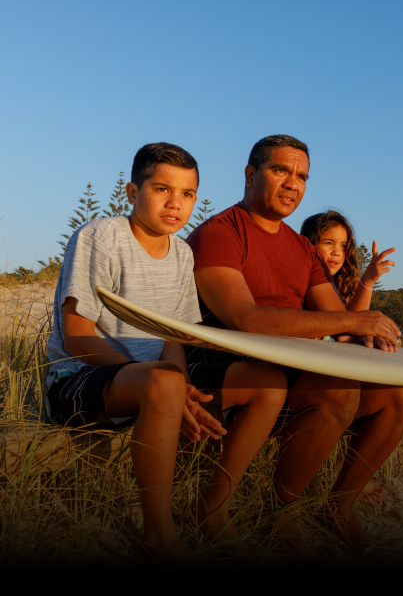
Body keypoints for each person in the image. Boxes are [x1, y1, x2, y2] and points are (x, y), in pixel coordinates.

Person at [45, 143, 287, 562]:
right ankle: (158, 536)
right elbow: (77, 338)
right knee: (165, 382)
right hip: (78, 380)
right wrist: (167, 385)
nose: (176, 204)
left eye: (188, 194)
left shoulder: (182, 254)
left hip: (157, 381)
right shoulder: (101, 236)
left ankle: (214, 513)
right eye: (161, 189)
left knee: (268, 382)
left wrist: (183, 391)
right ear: (132, 192)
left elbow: (174, 338)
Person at [186, 135, 403, 555]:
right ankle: (282, 517)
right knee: (337, 389)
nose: (293, 183)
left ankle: (339, 507)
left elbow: (337, 322)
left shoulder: (301, 247)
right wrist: (350, 320)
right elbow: (246, 319)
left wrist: (369, 332)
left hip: (293, 361)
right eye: (281, 170)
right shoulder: (219, 233)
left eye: (302, 176)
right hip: (231, 363)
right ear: (250, 174)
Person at [299, 211, 403, 507]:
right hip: (306, 384)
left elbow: (351, 323)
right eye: (328, 242)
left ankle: (345, 485)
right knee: (399, 394)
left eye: (343, 246)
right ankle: (329, 487)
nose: (336, 252)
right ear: (308, 243)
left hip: (333, 377)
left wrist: (367, 281)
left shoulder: (336, 285)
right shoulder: (300, 280)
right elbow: (348, 326)